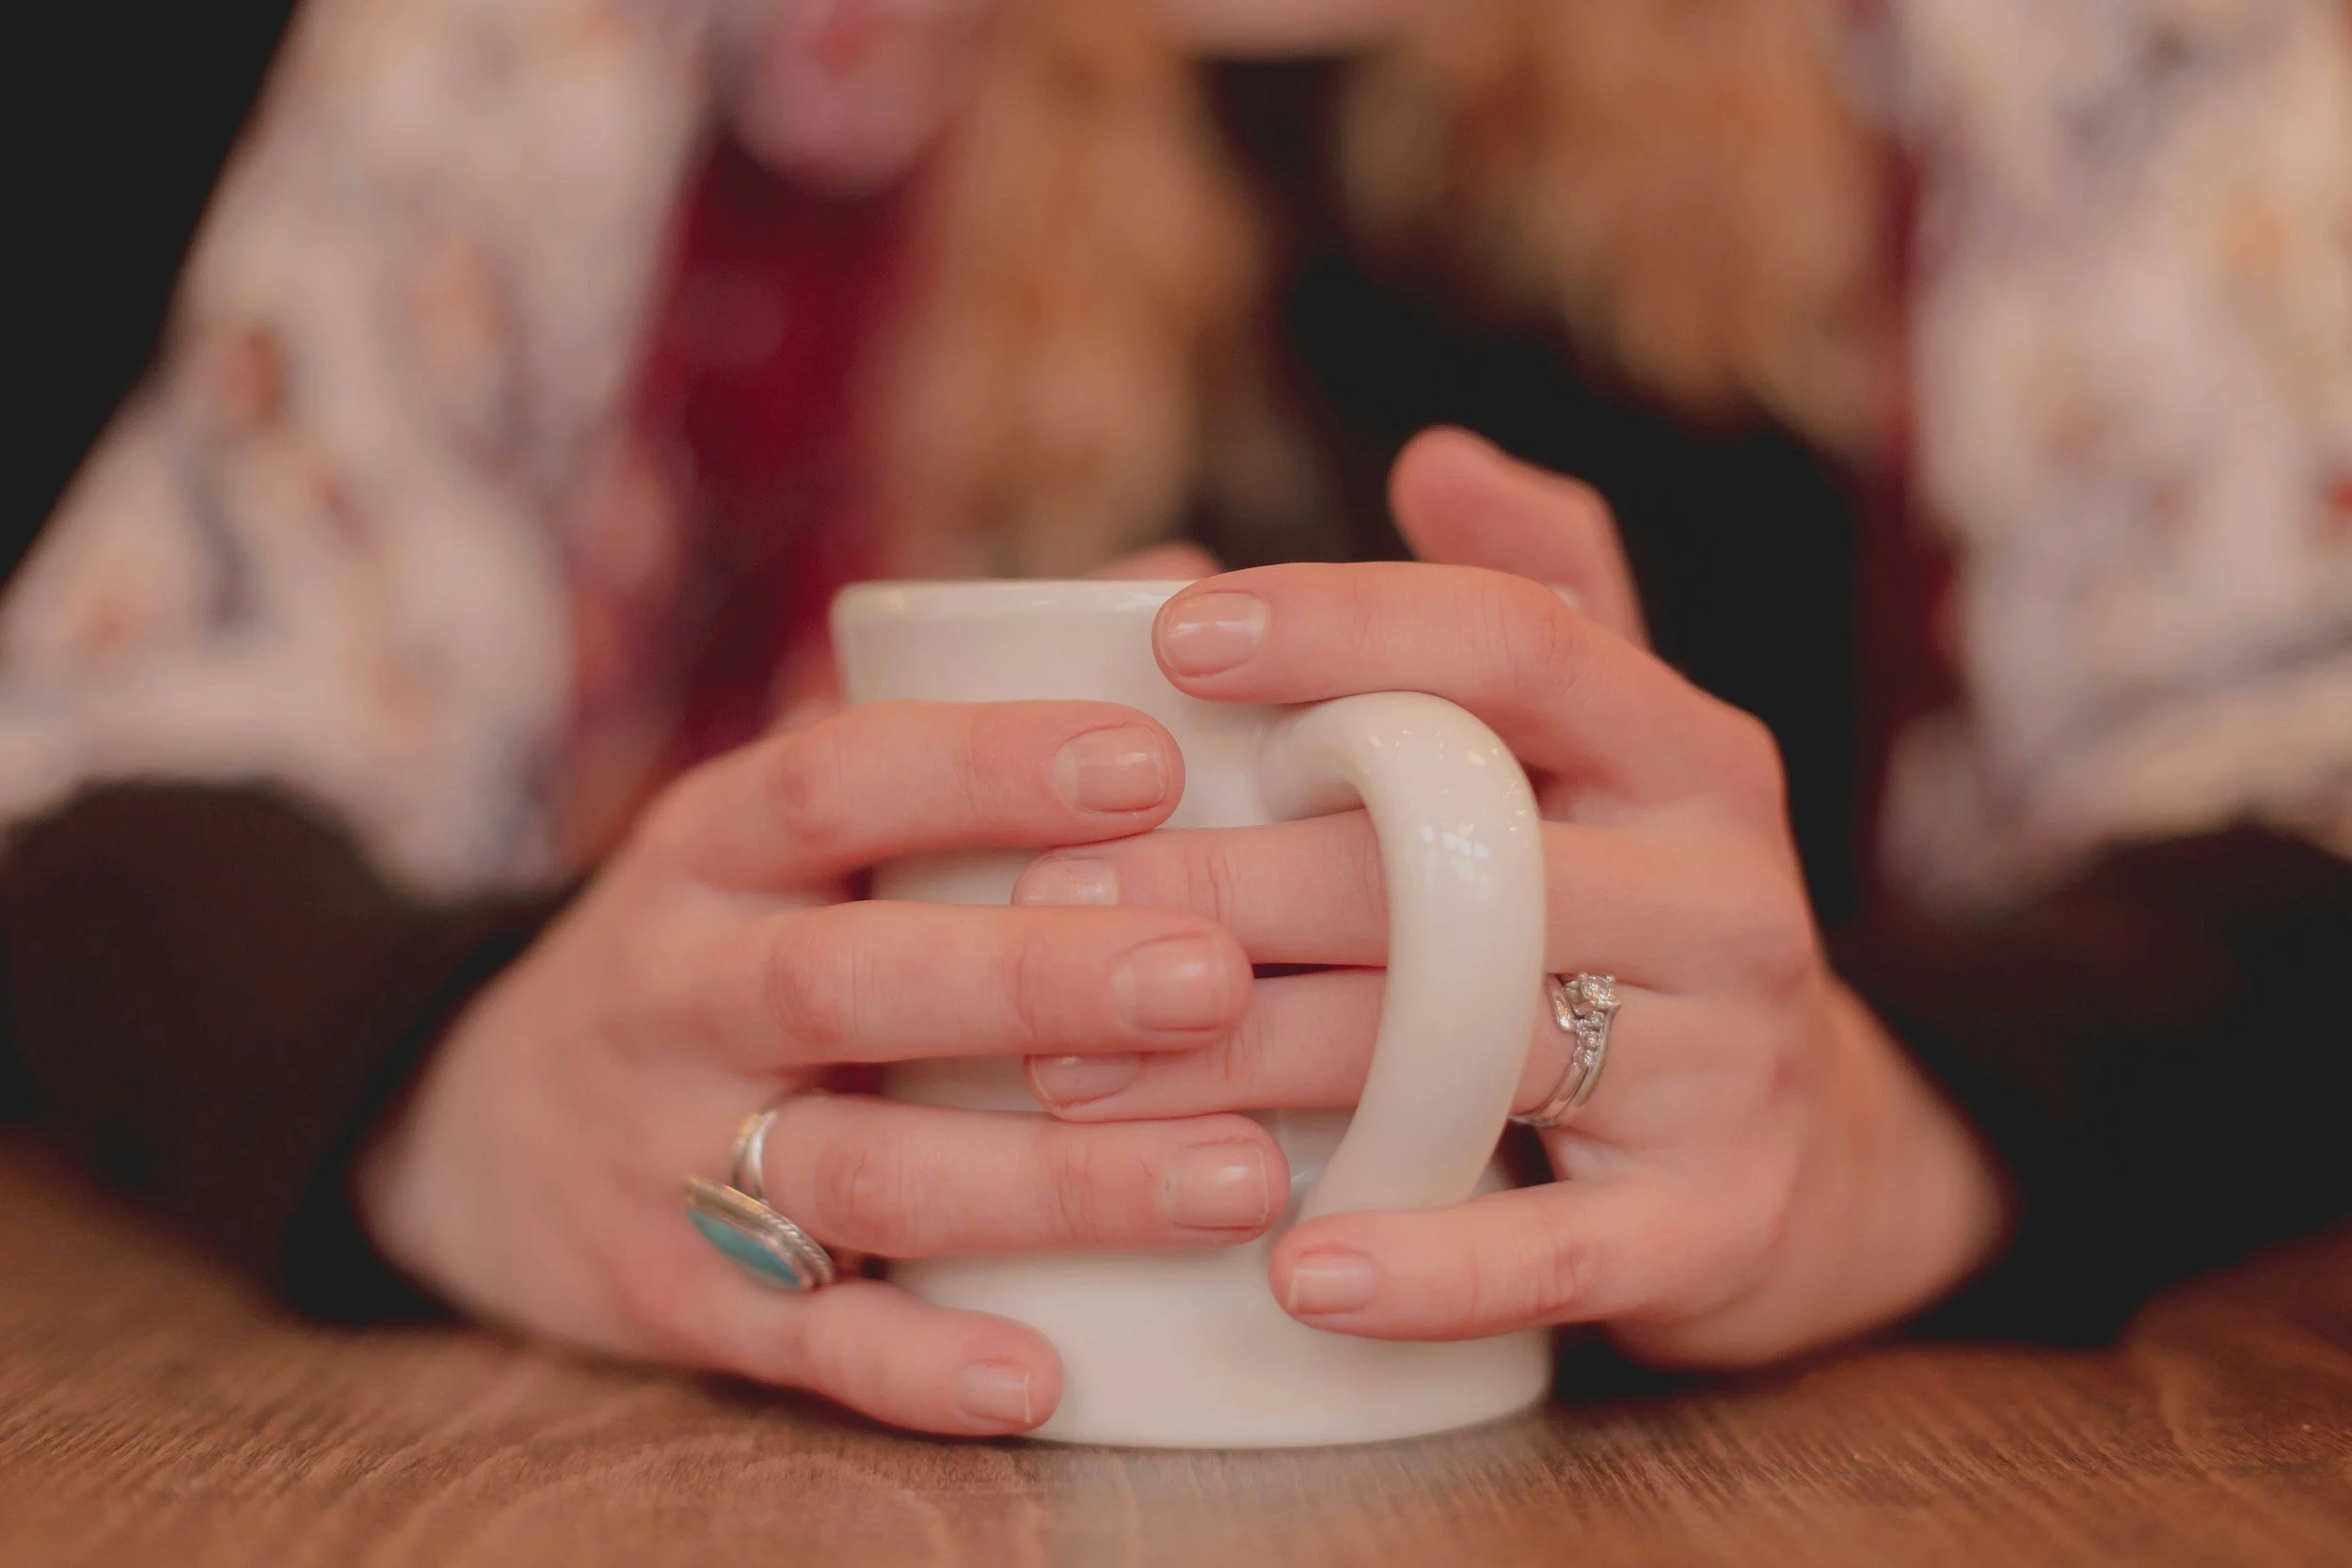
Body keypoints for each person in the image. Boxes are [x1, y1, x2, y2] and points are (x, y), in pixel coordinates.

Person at [3, 0, 2347, 1438]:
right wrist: (451, 1084)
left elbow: (2300, 796)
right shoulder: (569, 45)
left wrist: (1896, 1127)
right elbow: (98, 769)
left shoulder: (2060, 38)